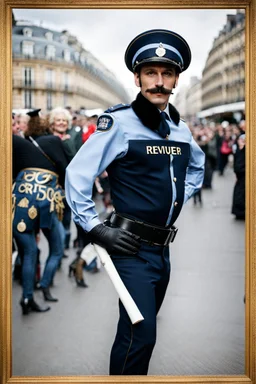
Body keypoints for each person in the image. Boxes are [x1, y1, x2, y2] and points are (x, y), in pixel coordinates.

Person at [65, 29, 205, 375]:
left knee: (139, 334)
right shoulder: (118, 124)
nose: (159, 81)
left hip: (162, 249)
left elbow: (197, 168)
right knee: (140, 334)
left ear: (176, 78)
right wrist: (96, 228)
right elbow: (77, 176)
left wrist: (173, 201)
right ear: (137, 77)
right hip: (128, 247)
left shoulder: (181, 129)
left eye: (167, 73)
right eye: (151, 73)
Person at [13, 110, 68, 313]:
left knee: (29, 252)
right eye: (15, 123)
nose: (17, 127)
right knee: (56, 247)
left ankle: (27, 298)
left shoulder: (18, 144)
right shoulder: (22, 142)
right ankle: (44, 286)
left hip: (20, 201)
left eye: (19, 123)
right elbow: (66, 168)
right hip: (45, 199)